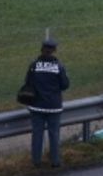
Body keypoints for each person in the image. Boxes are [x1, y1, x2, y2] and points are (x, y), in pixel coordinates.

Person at [23, 37, 70, 168]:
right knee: (54, 134)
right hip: (53, 106)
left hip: (36, 106)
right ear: (54, 50)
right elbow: (65, 85)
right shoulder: (58, 66)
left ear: (41, 49)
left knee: (37, 134)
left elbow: (27, 82)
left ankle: (36, 161)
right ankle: (55, 161)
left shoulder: (34, 65)